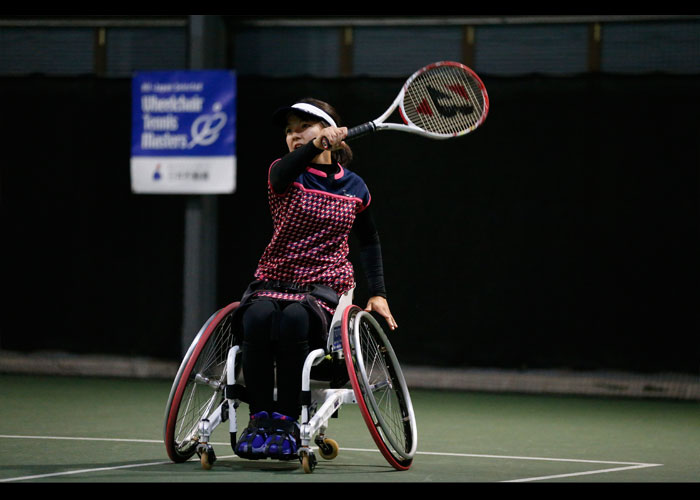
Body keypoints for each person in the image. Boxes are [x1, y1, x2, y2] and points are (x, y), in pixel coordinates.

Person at [233, 98, 396, 461]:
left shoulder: (355, 187)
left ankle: (288, 420)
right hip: (275, 277)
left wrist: (379, 293)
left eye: (302, 127)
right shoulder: (286, 172)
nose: (293, 136)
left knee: (294, 321)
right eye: (289, 131)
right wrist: (314, 143)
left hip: (324, 285)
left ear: (329, 130)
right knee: (256, 319)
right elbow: (279, 174)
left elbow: (368, 239)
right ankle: (260, 419)